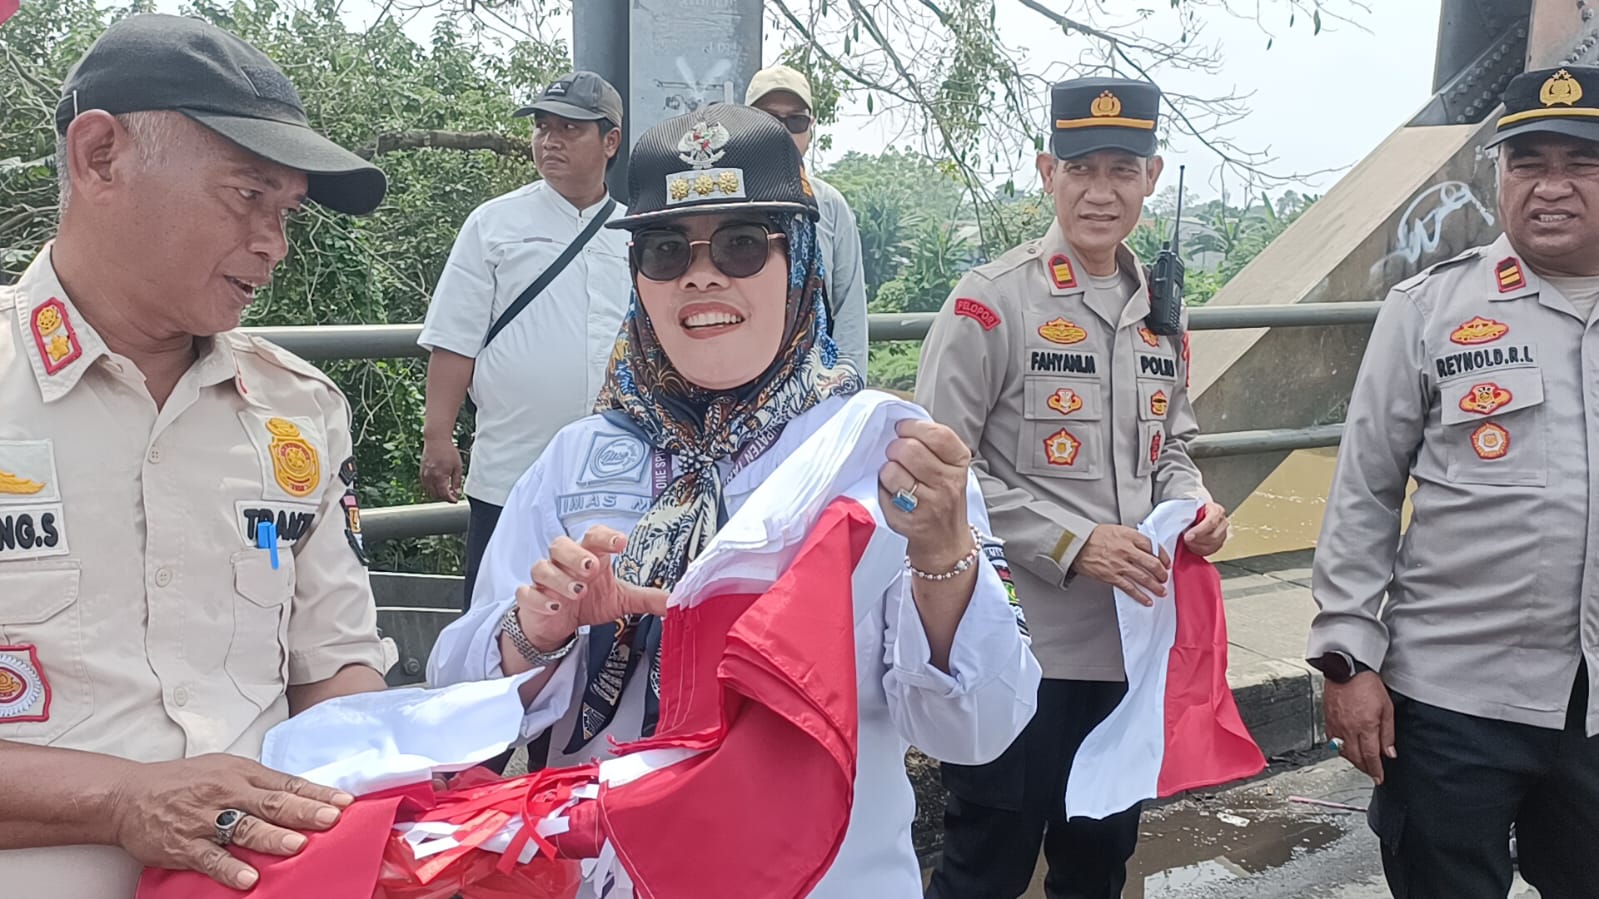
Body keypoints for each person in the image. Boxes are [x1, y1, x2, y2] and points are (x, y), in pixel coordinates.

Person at [427, 103, 1040, 895]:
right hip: (606, 871)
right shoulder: (573, 461)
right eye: (664, 250)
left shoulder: (882, 455)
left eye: (742, 244)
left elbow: (978, 729)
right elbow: (454, 712)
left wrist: (943, 557)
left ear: (800, 260)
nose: (701, 275)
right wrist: (533, 635)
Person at [0, 14, 392, 899]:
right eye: (247, 194)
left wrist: (367, 800)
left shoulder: (299, 410)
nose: (273, 244)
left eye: (286, 212)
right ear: (100, 157)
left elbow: (334, 664)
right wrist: (121, 801)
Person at [916, 76, 1231, 899]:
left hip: (1126, 653)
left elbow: (1172, 444)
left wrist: (1195, 504)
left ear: (1150, 177)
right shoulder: (990, 304)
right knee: (983, 872)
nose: (1100, 192)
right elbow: (937, 472)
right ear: (1045, 171)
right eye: (1080, 169)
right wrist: (1071, 541)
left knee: (1096, 869)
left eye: (1121, 170)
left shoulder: (1162, 310)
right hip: (1013, 648)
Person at [1307, 64, 1599, 899]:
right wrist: (1346, 661)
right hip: (1448, 698)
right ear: (1497, 173)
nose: (1550, 187)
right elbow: (1363, 490)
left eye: (1580, 163)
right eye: (1526, 163)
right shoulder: (1428, 308)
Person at [417, 71, 631, 606]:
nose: (550, 141)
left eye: (569, 129)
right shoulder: (493, 224)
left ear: (610, 141)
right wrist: (438, 437)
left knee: (600, 619)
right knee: (497, 615)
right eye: (542, 127)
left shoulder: (636, 234)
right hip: (509, 470)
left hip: (611, 477)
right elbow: (454, 338)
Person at [747, 63, 870, 369]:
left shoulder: (828, 206)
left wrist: (849, 387)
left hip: (815, 382)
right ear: (745, 122)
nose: (783, 131)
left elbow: (849, 310)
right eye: (768, 118)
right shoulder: (719, 201)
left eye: (796, 121)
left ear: (810, 129)